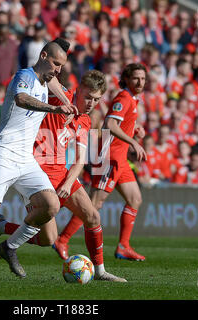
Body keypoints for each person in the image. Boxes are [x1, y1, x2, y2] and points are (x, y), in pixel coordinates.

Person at [0, 38, 78, 280]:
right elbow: (21, 99)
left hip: (25, 158)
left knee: (51, 206)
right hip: (2, 154)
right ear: (42, 57)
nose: (58, 70)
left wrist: (68, 104)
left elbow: (56, 86)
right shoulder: (25, 76)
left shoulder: (47, 79)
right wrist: (55, 109)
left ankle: (9, 247)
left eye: (62, 66)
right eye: (56, 64)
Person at [0, 70, 127, 282]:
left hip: (62, 174)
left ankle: (100, 271)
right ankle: (1, 227)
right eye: (87, 96)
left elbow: (79, 159)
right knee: (47, 238)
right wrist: (65, 100)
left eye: (96, 99)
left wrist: (68, 183)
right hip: (34, 172)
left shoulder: (84, 120)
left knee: (93, 216)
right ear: (78, 90)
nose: (91, 103)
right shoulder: (58, 98)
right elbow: (47, 76)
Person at [53, 63, 148, 262]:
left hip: (120, 158)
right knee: (93, 204)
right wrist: (132, 142)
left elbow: (119, 120)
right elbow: (110, 124)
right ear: (127, 79)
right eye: (136, 78)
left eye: (143, 78)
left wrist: (134, 128)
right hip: (110, 156)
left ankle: (123, 246)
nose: (140, 82)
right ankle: (62, 239)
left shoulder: (131, 99)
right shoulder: (124, 97)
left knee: (135, 198)